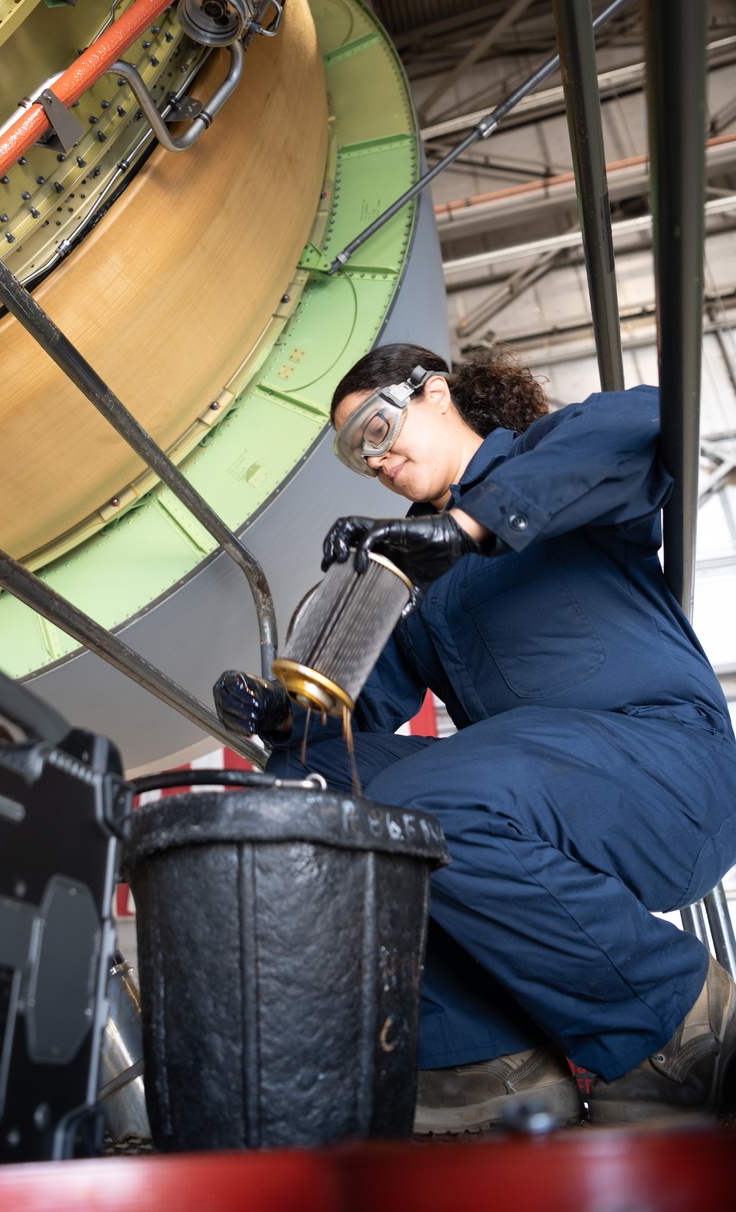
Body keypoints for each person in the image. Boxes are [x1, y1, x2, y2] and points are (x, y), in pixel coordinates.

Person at [214, 342, 736, 1134]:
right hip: (540, 810)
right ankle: (491, 1059)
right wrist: (282, 715)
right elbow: (352, 719)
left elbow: (648, 422)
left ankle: (677, 1020)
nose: (377, 460)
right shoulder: (415, 585)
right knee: (310, 796)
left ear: (435, 393)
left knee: (427, 806)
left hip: (672, 774)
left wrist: (465, 527)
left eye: (379, 429)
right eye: (358, 455)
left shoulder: (550, 459)